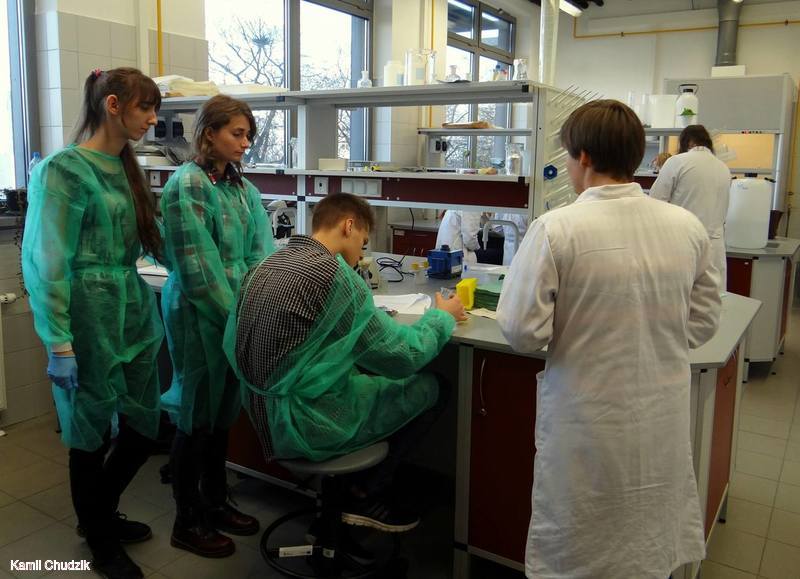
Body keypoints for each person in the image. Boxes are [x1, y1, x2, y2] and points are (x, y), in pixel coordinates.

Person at [496, 100, 721, 579]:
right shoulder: (686, 228)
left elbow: (521, 331)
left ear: (584, 158)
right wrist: (648, 330)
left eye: (568, 156)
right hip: (658, 416)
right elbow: (702, 324)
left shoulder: (555, 229)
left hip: (585, 420)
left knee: (579, 542)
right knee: (645, 538)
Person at [228, 193, 466, 532]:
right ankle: (364, 494)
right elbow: (402, 357)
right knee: (434, 387)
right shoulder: (334, 275)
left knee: (362, 372)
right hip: (308, 423)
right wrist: (442, 318)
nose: (361, 255)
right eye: (363, 244)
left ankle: (345, 495)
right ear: (349, 226)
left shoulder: (267, 264)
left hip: (263, 413)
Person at [22, 67, 164, 579]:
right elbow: (47, 261)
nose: (153, 119)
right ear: (112, 105)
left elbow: (154, 238)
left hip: (130, 310)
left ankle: (97, 513)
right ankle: (101, 539)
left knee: (143, 426)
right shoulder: (63, 170)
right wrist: (59, 343)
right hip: (85, 315)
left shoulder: (129, 169)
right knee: (90, 433)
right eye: (145, 108)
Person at [160, 94, 274, 558]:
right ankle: (187, 520)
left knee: (222, 411)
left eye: (249, 135)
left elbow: (261, 253)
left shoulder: (242, 188)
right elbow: (197, 268)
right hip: (198, 312)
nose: (245, 143)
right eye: (237, 134)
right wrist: (236, 322)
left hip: (236, 311)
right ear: (209, 133)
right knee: (195, 416)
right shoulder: (187, 185)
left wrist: (258, 309)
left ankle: (215, 500)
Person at [650, 125, 731, 289]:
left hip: (682, 243)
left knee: (678, 295)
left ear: (687, 142)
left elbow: (655, 201)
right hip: (714, 246)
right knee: (711, 297)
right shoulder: (723, 167)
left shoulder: (677, 161)